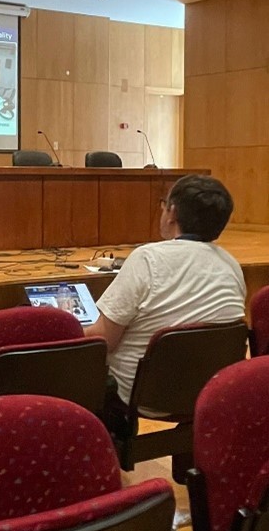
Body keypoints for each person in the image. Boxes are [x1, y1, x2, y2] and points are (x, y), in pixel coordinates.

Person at [85, 174, 246, 422]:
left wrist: (67, 329)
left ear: (172, 212)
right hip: (210, 392)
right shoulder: (231, 265)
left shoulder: (147, 259)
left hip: (138, 396)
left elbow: (102, 340)